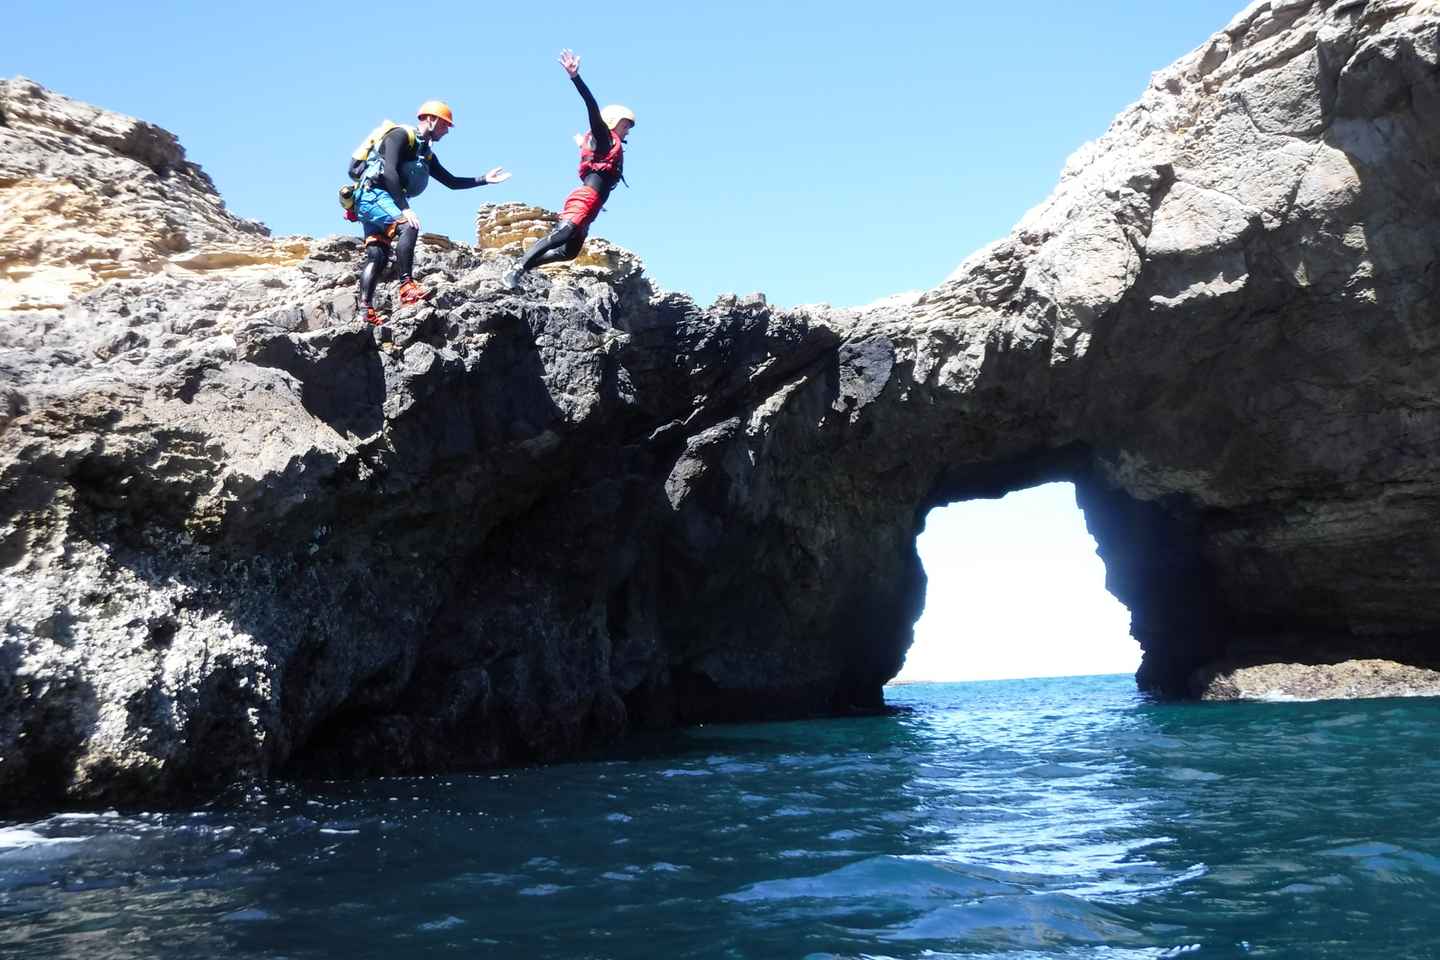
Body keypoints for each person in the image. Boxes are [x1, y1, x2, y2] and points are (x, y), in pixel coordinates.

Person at [353, 101, 511, 324]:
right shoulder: (400, 135)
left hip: (373, 200)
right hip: (375, 195)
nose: (447, 131)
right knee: (409, 226)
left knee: (378, 255)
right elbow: (389, 171)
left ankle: (365, 312)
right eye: (445, 125)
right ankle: (407, 286)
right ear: (431, 119)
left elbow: (451, 182)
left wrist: (484, 179)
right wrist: (405, 209)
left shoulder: (425, 153)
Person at [502, 50, 633, 288]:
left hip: (594, 206)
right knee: (563, 232)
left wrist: (581, 144)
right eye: (625, 126)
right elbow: (592, 107)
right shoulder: (605, 137)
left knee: (568, 252)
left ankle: (523, 266)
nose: (627, 131)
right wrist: (575, 77)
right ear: (613, 122)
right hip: (586, 198)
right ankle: (517, 267)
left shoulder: (605, 145)